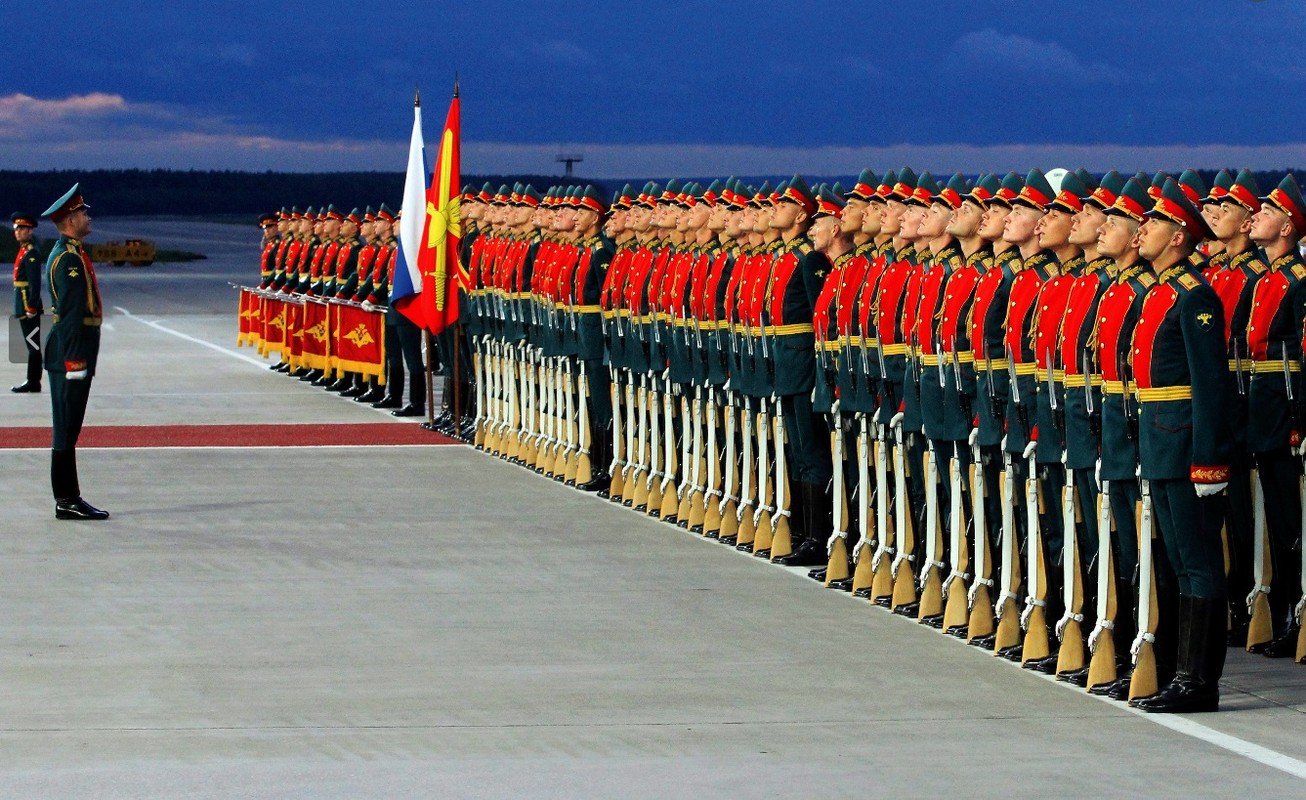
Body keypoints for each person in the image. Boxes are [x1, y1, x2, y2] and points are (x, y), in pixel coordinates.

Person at [42, 184, 108, 520]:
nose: (87, 216)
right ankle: (66, 500)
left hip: (75, 351)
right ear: (70, 219)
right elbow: (68, 315)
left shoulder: (74, 253)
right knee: (66, 427)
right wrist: (74, 360)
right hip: (70, 354)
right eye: (83, 212)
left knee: (70, 427)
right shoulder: (67, 258)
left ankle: (70, 497)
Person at [11, 211, 44, 393]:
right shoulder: (24, 250)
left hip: (28, 305)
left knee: (33, 345)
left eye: (22, 228)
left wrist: (31, 305)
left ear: (30, 231)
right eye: (17, 228)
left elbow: (35, 283)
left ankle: (33, 381)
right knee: (31, 344)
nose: (18, 232)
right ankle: (32, 380)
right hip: (22, 303)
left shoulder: (31, 253)